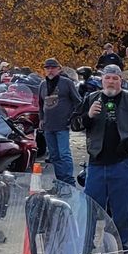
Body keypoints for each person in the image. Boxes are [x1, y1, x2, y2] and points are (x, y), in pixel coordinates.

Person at [76, 64, 128, 241]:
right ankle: (89, 247)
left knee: (122, 211)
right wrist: (88, 115)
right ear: (102, 80)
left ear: (121, 80)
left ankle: (121, 247)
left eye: (115, 78)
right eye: (107, 78)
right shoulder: (91, 99)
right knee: (92, 210)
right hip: (96, 165)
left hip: (122, 164)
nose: (111, 81)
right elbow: (74, 124)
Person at [39, 57, 80, 186]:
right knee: (54, 156)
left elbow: (78, 102)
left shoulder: (67, 83)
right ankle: (60, 182)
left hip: (62, 125)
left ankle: (69, 182)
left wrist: (72, 118)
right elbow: (40, 104)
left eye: (53, 68)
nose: (50, 70)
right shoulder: (42, 85)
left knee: (64, 154)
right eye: (47, 68)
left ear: (59, 69)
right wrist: (41, 118)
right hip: (48, 126)